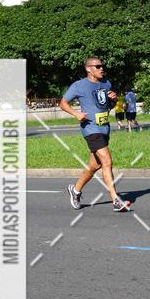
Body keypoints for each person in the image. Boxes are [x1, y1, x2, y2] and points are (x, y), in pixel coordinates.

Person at [59, 57, 132, 213]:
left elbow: (107, 106)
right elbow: (62, 103)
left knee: (95, 165)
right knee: (107, 160)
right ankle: (116, 200)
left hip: (104, 128)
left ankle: (75, 190)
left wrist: (113, 100)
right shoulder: (79, 85)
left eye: (102, 66)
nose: (101, 69)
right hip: (90, 129)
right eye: (97, 66)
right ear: (88, 69)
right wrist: (76, 113)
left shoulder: (106, 83)